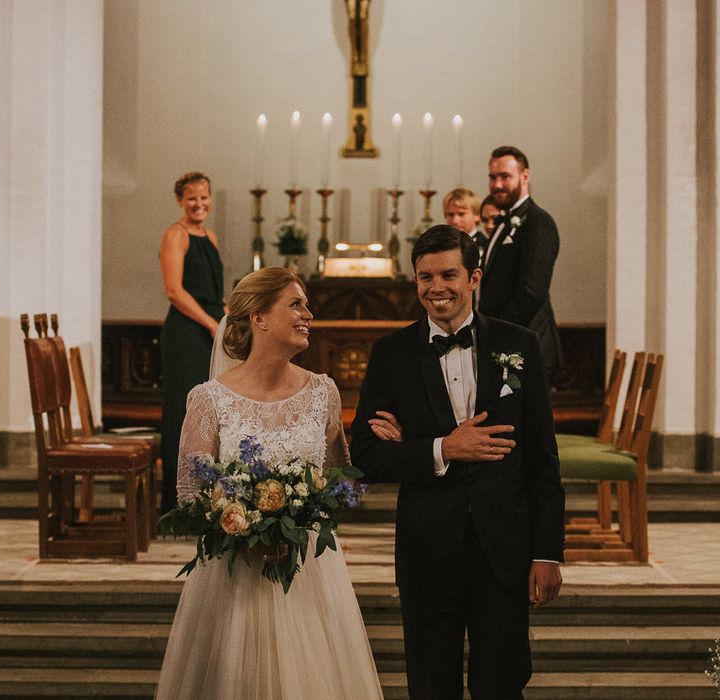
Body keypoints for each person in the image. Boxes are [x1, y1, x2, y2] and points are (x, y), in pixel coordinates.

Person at [350, 226, 565, 700]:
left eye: (448, 274)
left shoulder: (519, 346)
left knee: (502, 684)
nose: (436, 287)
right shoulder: (391, 354)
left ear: (474, 278)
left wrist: (546, 552)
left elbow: (542, 460)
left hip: (504, 546)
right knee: (431, 686)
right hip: (427, 549)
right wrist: (442, 448)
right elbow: (365, 456)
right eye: (425, 277)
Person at [155, 268, 383, 700]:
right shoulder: (209, 399)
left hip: (308, 572)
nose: (308, 315)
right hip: (234, 574)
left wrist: (303, 512)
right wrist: (242, 529)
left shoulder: (323, 392)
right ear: (258, 317)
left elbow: (339, 479)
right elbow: (190, 493)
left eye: (306, 305)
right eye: (295, 304)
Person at [159, 171, 225, 513]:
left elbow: (211, 292)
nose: (199, 204)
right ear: (180, 201)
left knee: (209, 415)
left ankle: (205, 499)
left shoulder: (210, 236)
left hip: (210, 330)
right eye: (191, 199)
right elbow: (175, 291)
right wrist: (211, 323)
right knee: (183, 415)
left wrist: (230, 316)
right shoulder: (176, 235)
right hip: (187, 335)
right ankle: (177, 503)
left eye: (204, 197)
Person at [478, 146, 562, 375]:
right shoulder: (503, 223)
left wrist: (497, 332)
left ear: (525, 176)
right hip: (505, 346)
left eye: (505, 176)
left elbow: (531, 292)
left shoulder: (537, 222)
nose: (497, 184)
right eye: (492, 177)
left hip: (525, 347)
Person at [443, 187, 489, 265]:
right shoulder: (442, 245)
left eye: (461, 214)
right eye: (450, 215)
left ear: (477, 215)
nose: (455, 221)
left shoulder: (486, 246)